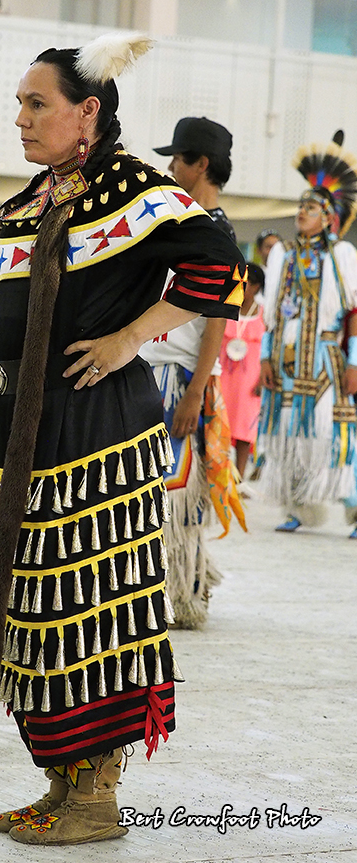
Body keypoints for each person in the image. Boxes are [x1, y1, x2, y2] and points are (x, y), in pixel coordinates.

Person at [0, 34, 246, 846]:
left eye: (34, 102)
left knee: (84, 608)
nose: (19, 117)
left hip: (90, 439)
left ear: (89, 110)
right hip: (13, 439)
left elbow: (222, 266)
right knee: (25, 604)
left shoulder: (132, 189)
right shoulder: (36, 198)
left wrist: (130, 338)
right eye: (19, 102)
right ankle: (59, 784)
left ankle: (96, 796)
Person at [139, 116, 246, 630]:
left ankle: (184, 592)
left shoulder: (217, 236)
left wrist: (195, 393)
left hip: (180, 379)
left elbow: (219, 324)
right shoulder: (180, 224)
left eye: (177, 159)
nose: (169, 167)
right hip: (154, 373)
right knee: (152, 488)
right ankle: (167, 588)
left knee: (176, 490)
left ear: (201, 164)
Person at [259, 135, 357, 537]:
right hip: (284, 361)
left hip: (326, 361)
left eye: (311, 207)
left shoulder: (343, 256)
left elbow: (354, 313)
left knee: (333, 433)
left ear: (329, 217)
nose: (302, 212)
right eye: (300, 206)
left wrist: (354, 364)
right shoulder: (282, 254)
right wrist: (265, 357)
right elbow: (270, 315)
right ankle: (299, 507)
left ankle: (353, 508)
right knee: (286, 432)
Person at [220, 263, 266, 479]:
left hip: (250, 381)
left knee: (244, 430)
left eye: (245, 284)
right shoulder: (224, 308)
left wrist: (263, 380)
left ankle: (238, 478)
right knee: (219, 422)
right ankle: (217, 474)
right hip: (223, 376)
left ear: (256, 287)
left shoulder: (265, 315)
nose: (239, 287)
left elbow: (270, 350)